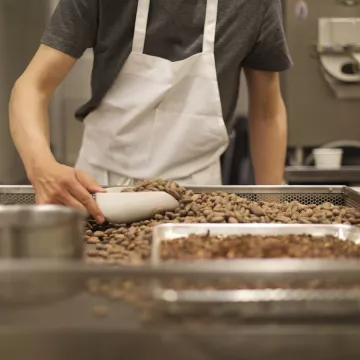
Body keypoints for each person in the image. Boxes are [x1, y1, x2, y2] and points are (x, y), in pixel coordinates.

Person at [9, 0, 291, 223]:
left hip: (199, 199)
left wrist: (272, 211)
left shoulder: (255, 5)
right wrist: (41, 166)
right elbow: (31, 88)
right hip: (101, 192)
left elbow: (267, 111)